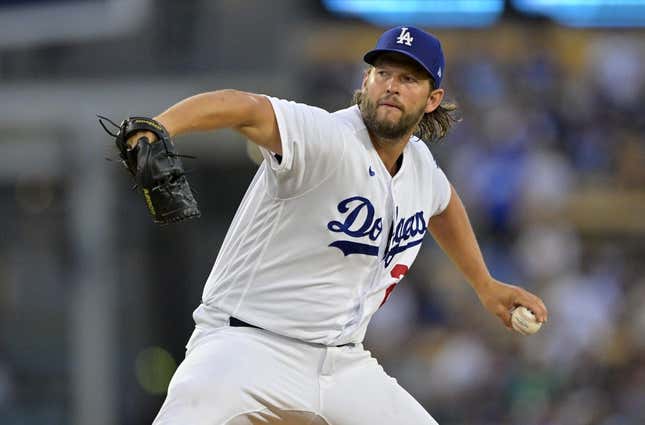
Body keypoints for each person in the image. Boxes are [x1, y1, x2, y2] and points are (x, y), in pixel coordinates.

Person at [131, 25, 548, 425]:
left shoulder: (420, 165)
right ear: (366, 80)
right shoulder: (326, 136)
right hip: (245, 346)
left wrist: (485, 284)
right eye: (382, 73)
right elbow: (243, 106)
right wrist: (160, 127)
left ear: (433, 98)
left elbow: (443, 204)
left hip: (342, 363)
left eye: (408, 78)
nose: (392, 85)